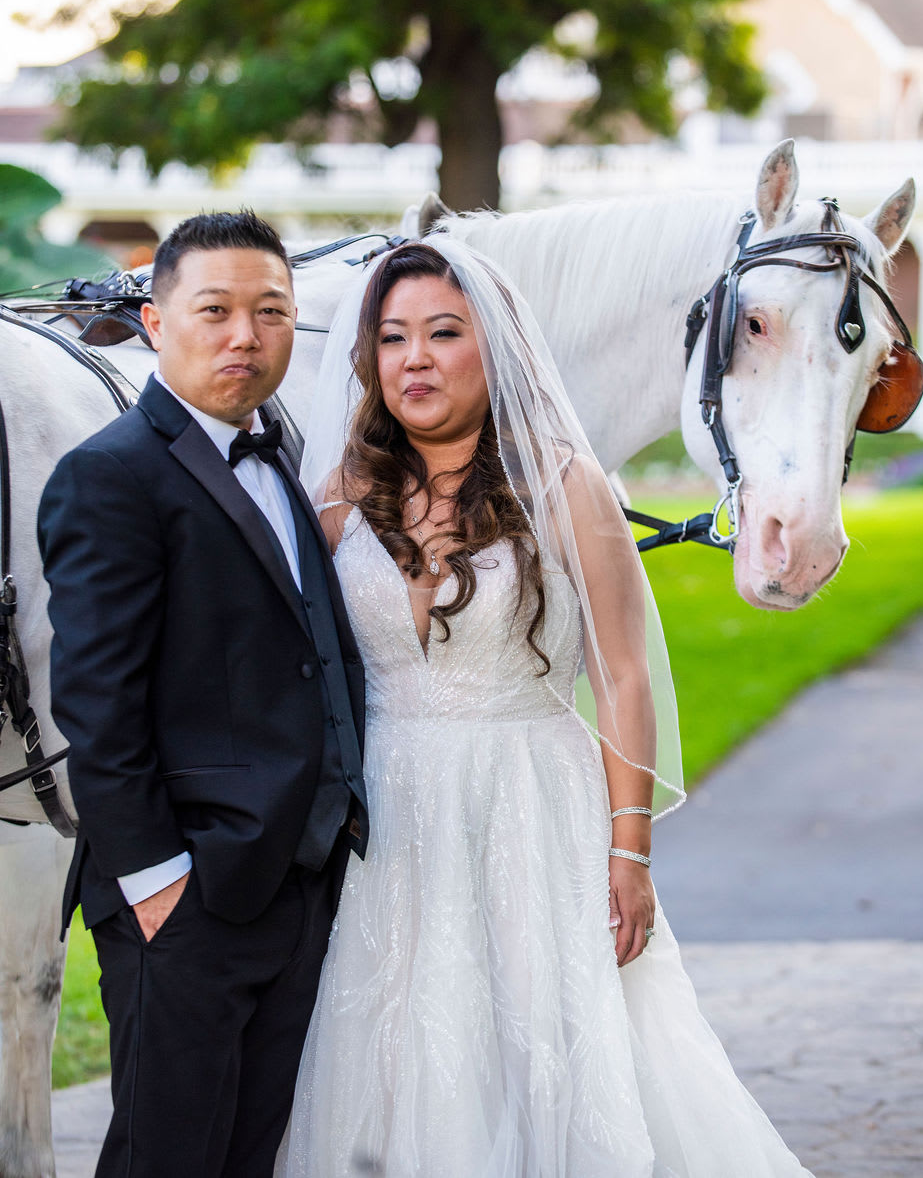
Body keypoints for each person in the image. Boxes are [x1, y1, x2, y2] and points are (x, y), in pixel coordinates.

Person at [278, 236, 814, 1177]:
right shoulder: (343, 493)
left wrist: (630, 848)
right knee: (400, 1051)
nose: (415, 359)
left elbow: (622, 676)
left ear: (498, 348)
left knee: (545, 1048)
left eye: (444, 333)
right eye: (394, 337)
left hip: (531, 805)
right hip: (389, 824)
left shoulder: (567, 484)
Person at [38, 211, 368, 1178]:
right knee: (166, 1155)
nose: (244, 335)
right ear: (152, 320)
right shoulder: (109, 478)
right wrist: (157, 883)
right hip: (184, 891)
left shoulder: (288, 446)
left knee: (249, 1152)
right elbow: (95, 705)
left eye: (271, 312)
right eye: (215, 310)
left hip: (297, 871)